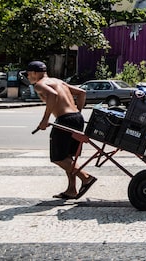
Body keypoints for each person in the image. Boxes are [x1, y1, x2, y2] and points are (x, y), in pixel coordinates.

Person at [27, 60, 98, 199]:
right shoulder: (58, 81)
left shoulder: (40, 85)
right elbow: (82, 93)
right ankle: (72, 189)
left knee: (58, 157)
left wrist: (45, 119)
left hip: (65, 119)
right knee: (68, 157)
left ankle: (86, 178)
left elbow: (53, 95)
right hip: (76, 118)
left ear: (35, 73)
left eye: (29, 74)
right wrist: (77, 112)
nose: (28, 77)